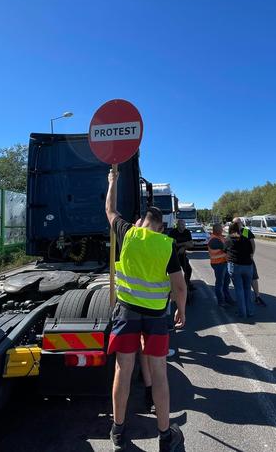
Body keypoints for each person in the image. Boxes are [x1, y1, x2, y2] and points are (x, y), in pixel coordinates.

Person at [105, 169, 186, 452]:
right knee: (159, 374)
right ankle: (165, 435)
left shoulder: (128, 233)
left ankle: (118, 430)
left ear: (143, 222)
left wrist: (112, 182)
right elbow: (180, 286)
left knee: (122, 371)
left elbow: (110, 209)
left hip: (126, 312)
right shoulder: (167, 245)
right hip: (154, 317)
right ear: (161, 227)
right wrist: (182, 311)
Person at [232, 217, 265, 306]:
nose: (237, 224)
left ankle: (257, 296)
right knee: (245, 280)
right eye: (236, 223)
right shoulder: (233, 233)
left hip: (245, 260)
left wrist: (252, 254)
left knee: (253, 277)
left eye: (238, 223)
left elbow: (252, 243)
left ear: (241, 223)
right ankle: (245, 300)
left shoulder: (244, 231)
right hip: (240, 260)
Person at [226, 222, 256, 318]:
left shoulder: (229, 239)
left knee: (239, 290)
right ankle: (250, 311)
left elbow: (224, 250)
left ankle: (242, 313)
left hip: (235, 266)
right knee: (247, 289)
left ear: (230, 229)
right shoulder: (245, 237)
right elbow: (252, 248)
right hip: (248, 265)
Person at [208, 223, 234, 307]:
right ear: (216, 230)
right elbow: (226, 249)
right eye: (220, 229)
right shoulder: (214, 240)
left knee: (226, 282)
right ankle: (221, 301)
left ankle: (227, 299)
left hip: (222, 263)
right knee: (220, 283)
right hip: (218, 264)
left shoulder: (219, 237)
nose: (222, 230)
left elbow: (226, 244)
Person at [168, 220, 194, 290]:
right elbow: (173, 244)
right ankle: (173, 287)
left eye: (184, 225)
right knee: (174, 271)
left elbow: (191, 244)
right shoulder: (173, 232)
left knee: (188, 269)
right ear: (177, 225)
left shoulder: (187, 232)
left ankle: (187, 283)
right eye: (182, 225)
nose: (183, 226)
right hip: (173, 255)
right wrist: (185, 243)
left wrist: (183, 247)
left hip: (182, 254)